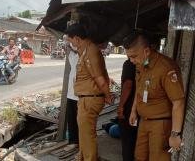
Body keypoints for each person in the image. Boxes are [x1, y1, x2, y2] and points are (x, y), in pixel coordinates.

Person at [124, 31, 185, 161]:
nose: (131, 60)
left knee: (158, 158)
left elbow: (178, 102)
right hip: (144, 121)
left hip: (161, 125)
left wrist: (175, 134)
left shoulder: (166, 68)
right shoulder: (141, 64)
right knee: (139, 157)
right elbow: (139, 89)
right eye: (129, 57)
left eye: (134, 56)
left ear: (146, 51)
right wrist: (134, 110)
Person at [65, 23, 113, 161]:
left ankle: (90, 158)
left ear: (77, 38)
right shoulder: (85, 50)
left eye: (71, 40)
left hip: (90, 99)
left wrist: (108, 95)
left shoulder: (91, 51)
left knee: (88, 135)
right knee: (84, 133)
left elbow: (100, 79)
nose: (71, 43)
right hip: (85, 99)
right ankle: (82, 156)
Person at [117, 59, 138, 161]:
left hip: (129, 108)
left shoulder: (129, 63)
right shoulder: (146, 63)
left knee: (127, 141)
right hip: (139, 109)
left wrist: (121, 106)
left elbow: (128, 84)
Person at [65, 35, 79, 145]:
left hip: (80, 95)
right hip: (71, 94)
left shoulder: (84, 56)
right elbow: (68, 49)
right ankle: (73, 141)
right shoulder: (73, 56)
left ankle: (78, 142)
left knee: (79, 121)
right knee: (71, 120)